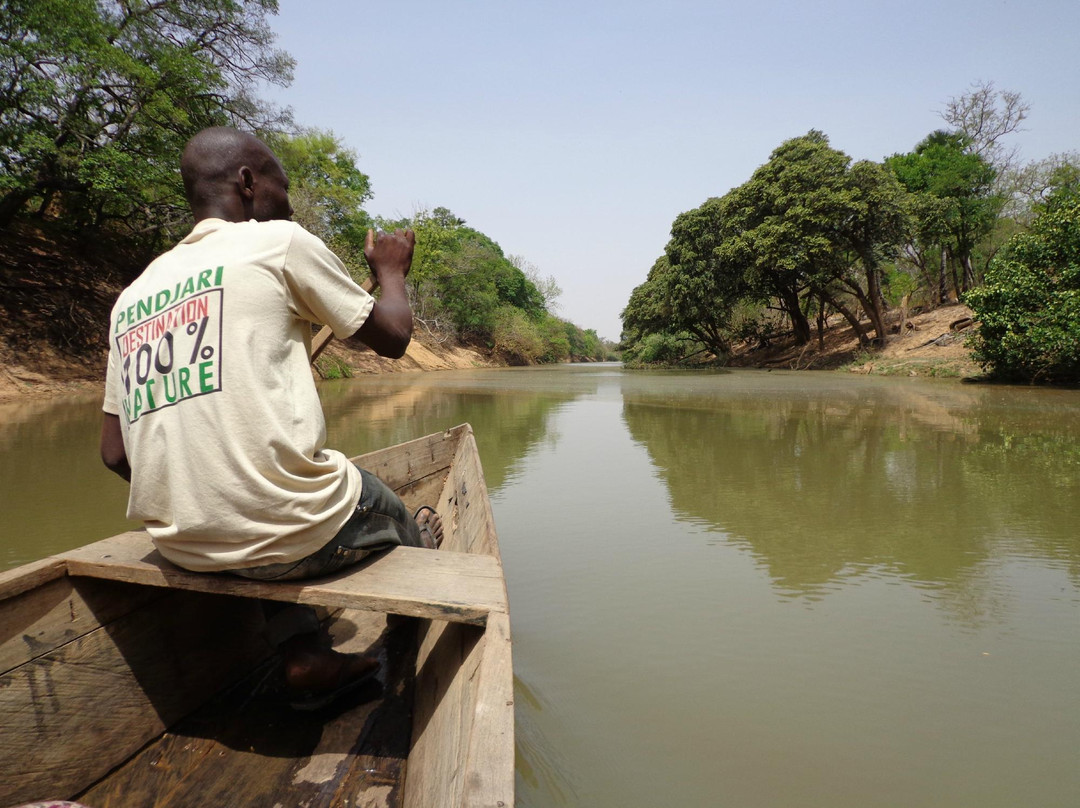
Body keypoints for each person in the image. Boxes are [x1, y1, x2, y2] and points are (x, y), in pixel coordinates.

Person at [100, 126, 441, 706]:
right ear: (248, 183)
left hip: (185, 547)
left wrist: (205, 499)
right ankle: (417, 584)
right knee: (387, 510)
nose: (290, 205)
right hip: (289, 537)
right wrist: (390, 271)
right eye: (283, 189)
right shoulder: (278, 242)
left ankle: (304, 654)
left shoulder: (132, 297)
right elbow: (394, 338)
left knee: (260, 511)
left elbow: (114, 454)